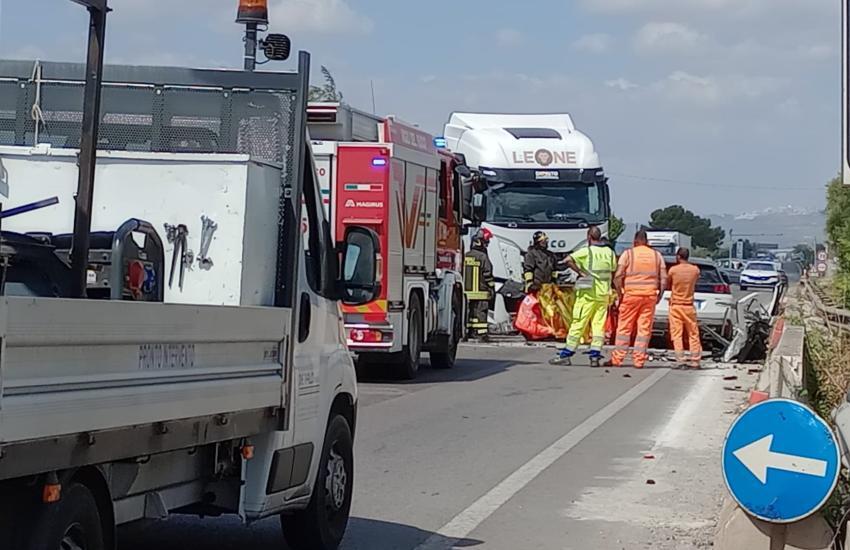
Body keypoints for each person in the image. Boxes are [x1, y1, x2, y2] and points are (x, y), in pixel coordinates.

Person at [550, 226, 617, 367]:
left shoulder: (587, 251)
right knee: (598, 326)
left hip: (587, 295)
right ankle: (595, 356)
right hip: (603, 295)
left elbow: (567, 260)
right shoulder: (609, 253)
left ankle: (566, 354)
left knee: (578, 323)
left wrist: (580, 272)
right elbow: (613, 271)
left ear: (589, 237)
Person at [610, 230, 667, 368]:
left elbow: (617, 276)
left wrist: (620, 293)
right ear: (647, 242)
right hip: (649, 297)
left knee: (624, 328)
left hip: (631, 296)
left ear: (635, 241)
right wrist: (660, 294)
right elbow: (664, 279)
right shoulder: (656, 255)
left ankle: (618, 359)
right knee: (644, 329)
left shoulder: (628, 254)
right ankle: (639, 360)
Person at [666, 247, 702, 369]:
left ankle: (680, 360)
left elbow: (668, 282)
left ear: (678, 257)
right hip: (689, 305)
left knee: (677, 334)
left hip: (676, 305)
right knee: (693, 333)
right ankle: (695, 360)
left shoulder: (673, 270)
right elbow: (697, 279)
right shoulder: (695, 270)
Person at [464, 228, 495, 340]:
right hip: (481, 291)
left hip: (467, 291)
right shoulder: (483, 257)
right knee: (481, 312)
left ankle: (469, 332)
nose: (486, 245)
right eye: (485, 242)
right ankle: (482, 334)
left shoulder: (466, 255)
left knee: (470, 313)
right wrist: (492, 288)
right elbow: (488, 274)